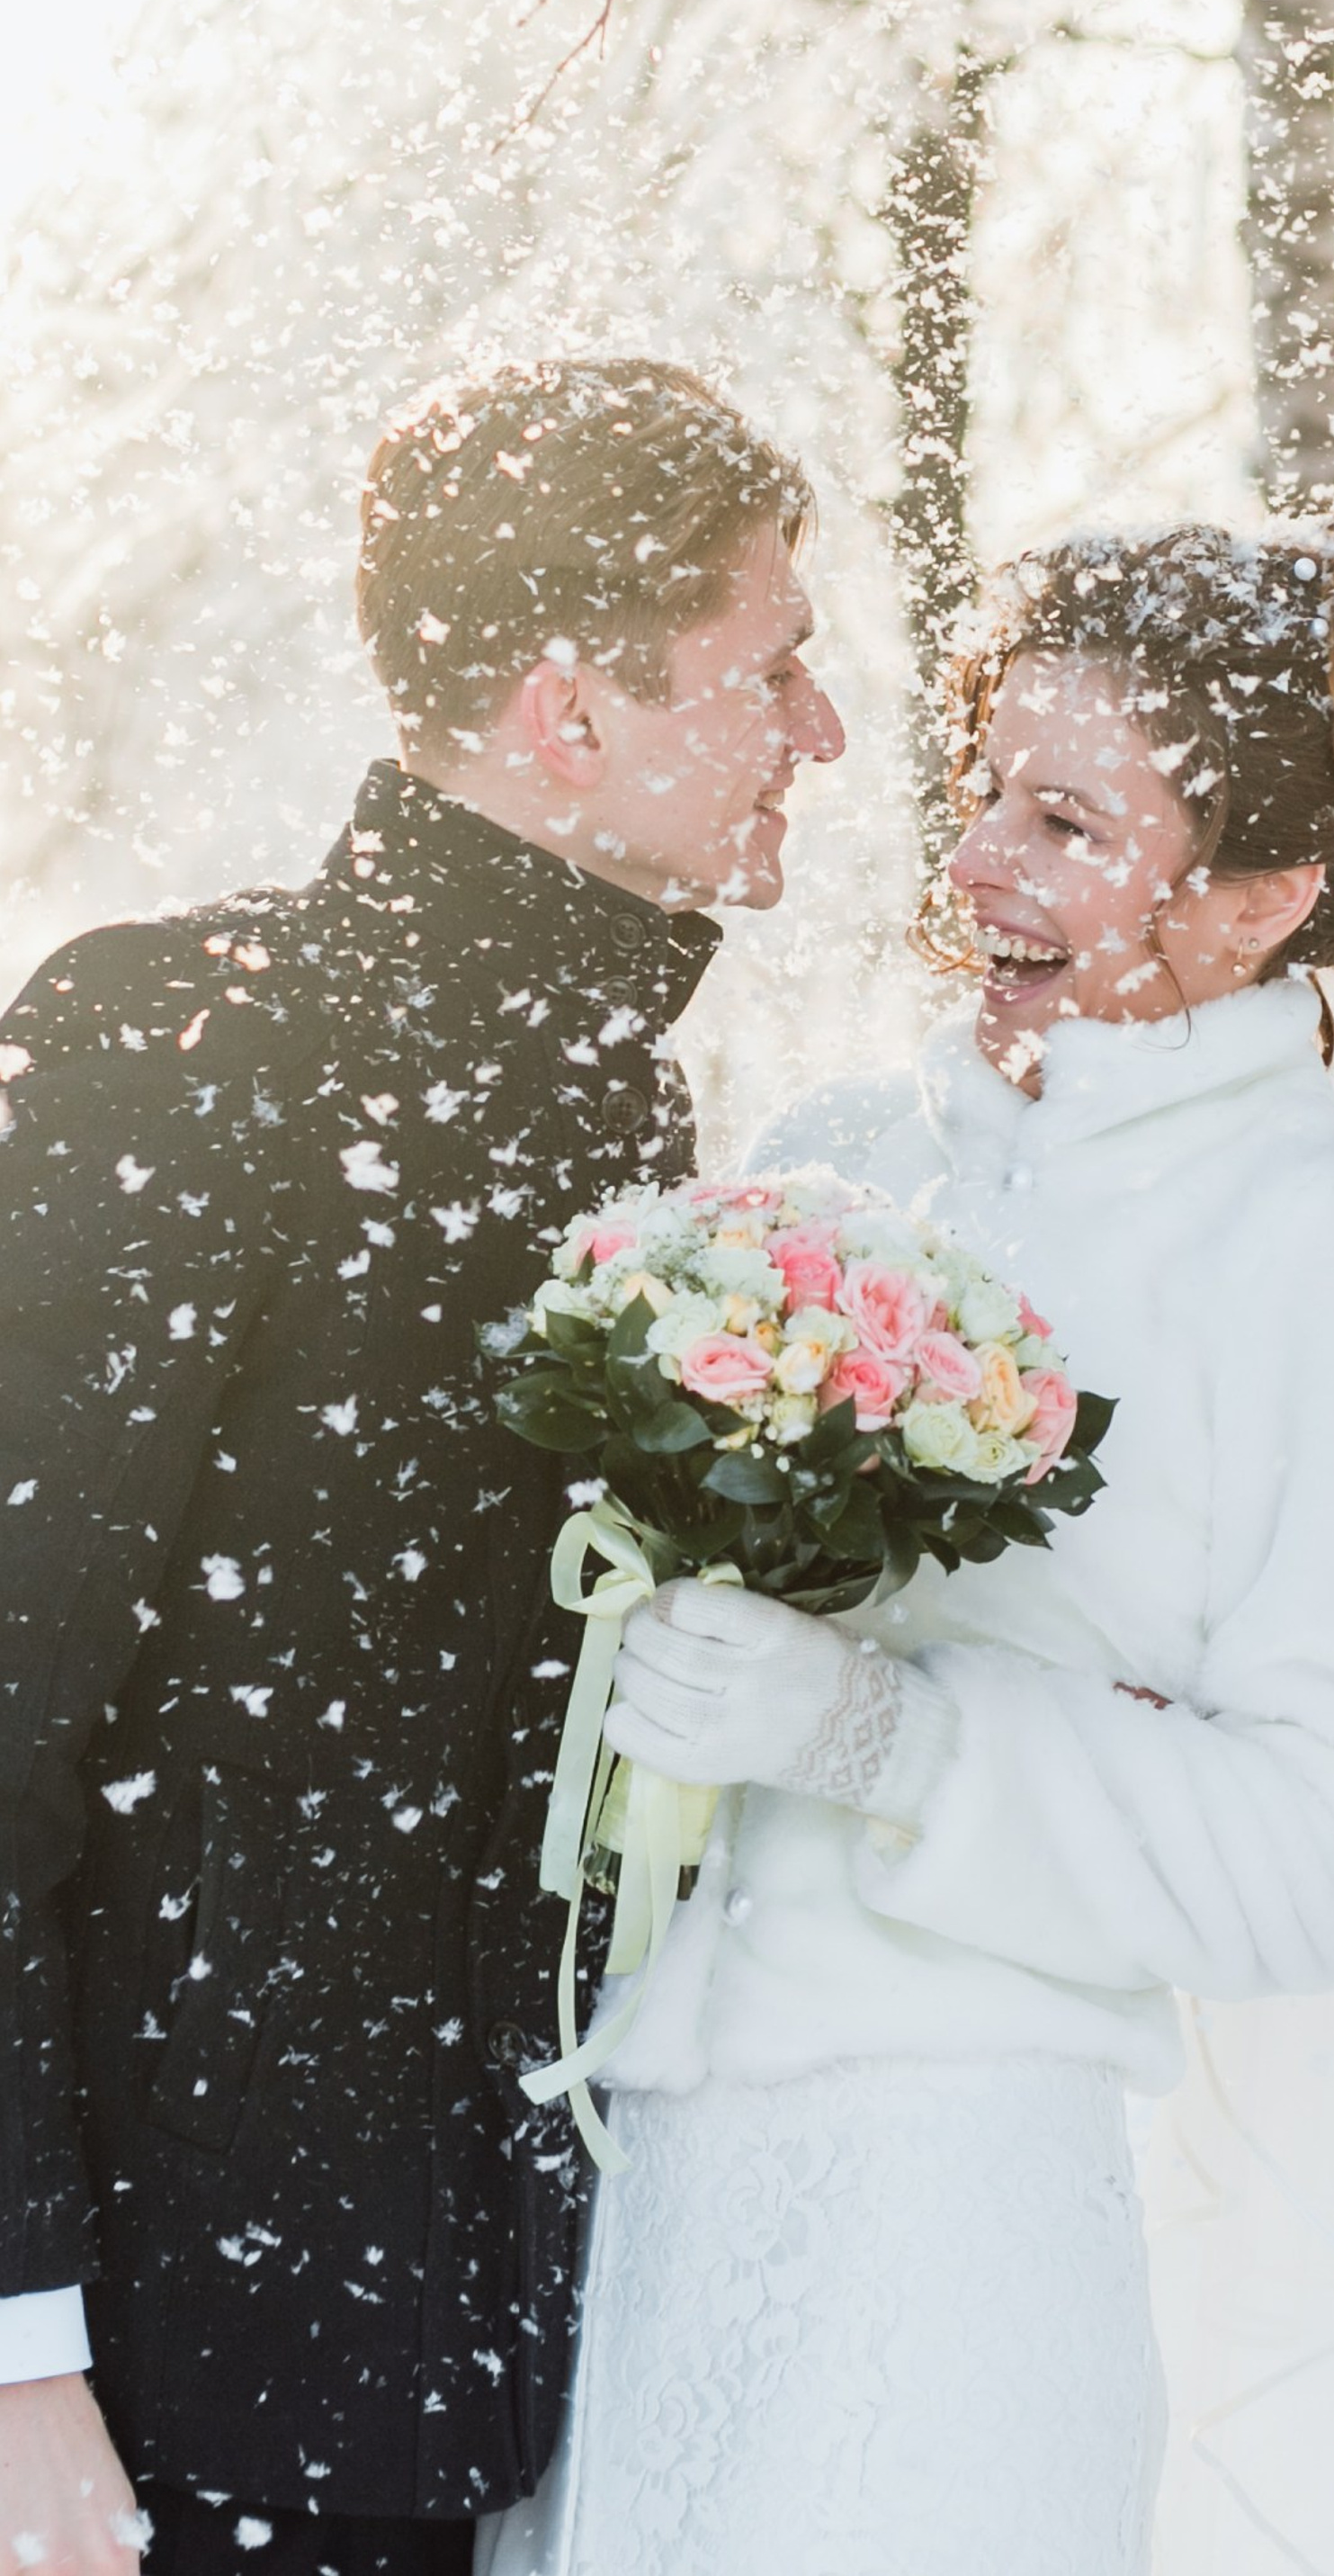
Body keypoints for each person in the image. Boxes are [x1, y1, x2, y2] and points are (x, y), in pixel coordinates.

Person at [479, 513, 1334, 2576]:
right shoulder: (831, 1164)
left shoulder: (1330, 1257)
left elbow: (1327, 1851)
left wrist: (887, 1738)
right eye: (977, 793)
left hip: (947, 2230)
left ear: (1263, 896)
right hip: (637, 2178)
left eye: (1063, 819)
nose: (968, 866)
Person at [0, 357, 844, 2576]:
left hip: (477, 2355)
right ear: (571, 718)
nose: (821, 736)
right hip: (159, 2393)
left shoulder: (630, 1120)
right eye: (772, 668)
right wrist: (13, 2354)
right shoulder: (175, 1054)